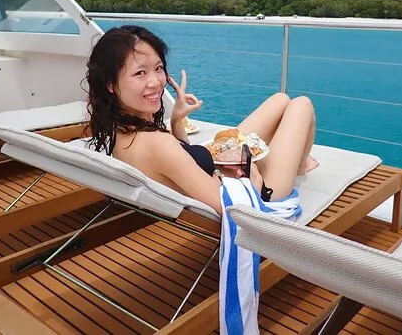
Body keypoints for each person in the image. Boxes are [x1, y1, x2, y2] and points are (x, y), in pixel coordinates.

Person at [85, 25, 318, 214]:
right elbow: (233, 208)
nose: (155, 82)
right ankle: (298, 165)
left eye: (158, 68)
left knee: (280, 100)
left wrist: (176, 121)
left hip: (216, 174)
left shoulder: (121, 130)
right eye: (140, 73)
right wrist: (254, 173)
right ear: (110, 84)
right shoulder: (157, 144)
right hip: (259, 196)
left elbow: (176, 164)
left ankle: (296, 161)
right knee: (302, 105)